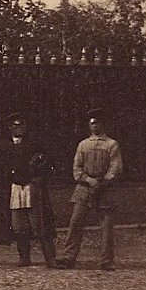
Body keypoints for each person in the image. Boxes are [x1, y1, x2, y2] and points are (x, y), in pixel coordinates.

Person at [55, 109, 122, 271]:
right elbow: (76, 169)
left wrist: (103, 181)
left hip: (104, 189)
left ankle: (106, 260)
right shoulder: (83, 145)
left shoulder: (111, 144)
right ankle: (68, 257)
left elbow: (115, 167)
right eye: (91, 123)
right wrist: (89, 180)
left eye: (97, 122)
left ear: (103, 124)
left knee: (106, 226)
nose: (94, 126)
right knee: (75, 222)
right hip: (84, 188)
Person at [0, 113, 57, 268]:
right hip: (14, 189)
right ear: (9, 127)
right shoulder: (3, 147)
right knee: (19, 225)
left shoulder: (34, 144)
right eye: (15, 125)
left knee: (39, 222)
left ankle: (50, 257)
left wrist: (41, 178)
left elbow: (48, 163)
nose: (19, 128)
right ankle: (24, 257)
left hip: (31, 188)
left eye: (22, 125)